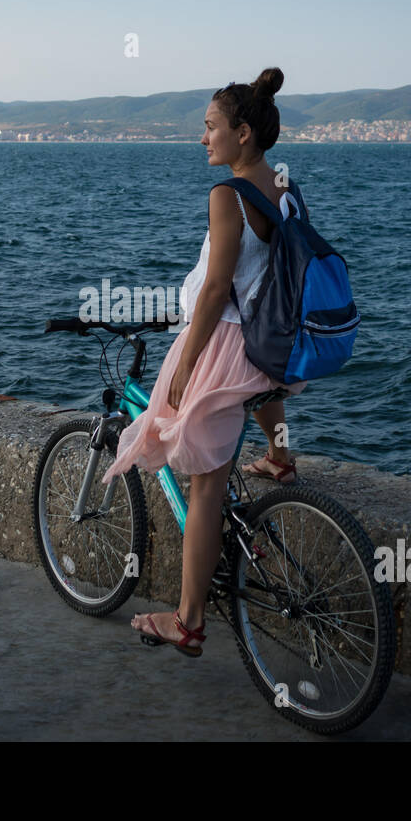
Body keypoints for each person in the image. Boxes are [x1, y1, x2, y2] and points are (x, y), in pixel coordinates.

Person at [98, 66, 307, 656]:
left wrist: (188, 359)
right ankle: (280, 458)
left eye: (210, 126)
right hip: (270, 346)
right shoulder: (285, 190)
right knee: (250, 411)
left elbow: (217, 290)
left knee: (205, 484)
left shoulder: (228, 194)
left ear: (243, 133)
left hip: (223, 344)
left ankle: (188, 620)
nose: (202, 137)